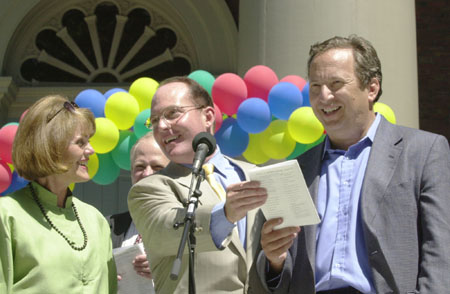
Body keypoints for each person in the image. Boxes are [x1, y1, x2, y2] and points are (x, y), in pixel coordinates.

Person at [256, 35, 450, 294]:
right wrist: (274, 260)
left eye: (336, 84)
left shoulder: (423, 151)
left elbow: (440, 251)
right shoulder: (296, 170)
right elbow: (279, 272)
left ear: (371, 88)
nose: (324, 96)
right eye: (315, 86)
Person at [127, 76, 269, 293]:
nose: (162, 126)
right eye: (154, 120)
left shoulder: (256, 175)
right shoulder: (149, 188)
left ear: (208, 116)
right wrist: (225, 213)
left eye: (172, 113)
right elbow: (165, 232)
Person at [0, 95, 117, 293]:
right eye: (81, 142)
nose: (91, 150)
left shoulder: (95, 219)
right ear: (50, 147)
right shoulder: (6, 215)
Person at [107, 131, 169, 280]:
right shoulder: (110, 226)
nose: (147, 174)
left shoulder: (191, 223)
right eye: (140, 167)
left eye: (157, 167)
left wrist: (167, 270)